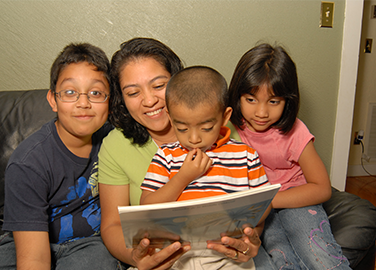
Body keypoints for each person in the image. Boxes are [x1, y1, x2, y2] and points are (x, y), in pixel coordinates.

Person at [98, 38, 275, 270]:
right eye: (133, 92)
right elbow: (115, 223)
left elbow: (254, 203)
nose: (149, 100)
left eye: (159, 85)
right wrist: (138, 258)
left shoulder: (231, 141)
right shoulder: (134, 150)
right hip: (168, 257)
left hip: (224, 256)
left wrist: (249, 240)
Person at [0, 43, 125, 269]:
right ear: (53, 100)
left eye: (95, 93)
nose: (83, 103)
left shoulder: (116, 142)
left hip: (90, 244)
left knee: (98, 261)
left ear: (109, 102)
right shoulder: (28, 163)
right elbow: (33, 258)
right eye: (70, 92)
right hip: (29, 240)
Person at [227, 43, 351, 269]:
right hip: (258, 213)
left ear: (288, 100)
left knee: (319, 256)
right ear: (237, 96)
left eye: (273, 101)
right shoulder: (229, 130)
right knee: (282, 259)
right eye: (251, 100)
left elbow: (322, 187)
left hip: (295, 202)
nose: (262, 113)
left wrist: (269, 199)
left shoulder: (295, 132)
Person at [140, 65, 271, 269]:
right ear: (170, 116)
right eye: (182, 128)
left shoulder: (246, 155)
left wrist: (239, 219)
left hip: (227, 256)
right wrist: (183, 177)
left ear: (225, 117)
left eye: (206, 128)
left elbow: (264, 205)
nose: (194, 139)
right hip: (175, 257)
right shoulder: (166, 156)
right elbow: (147, 209)